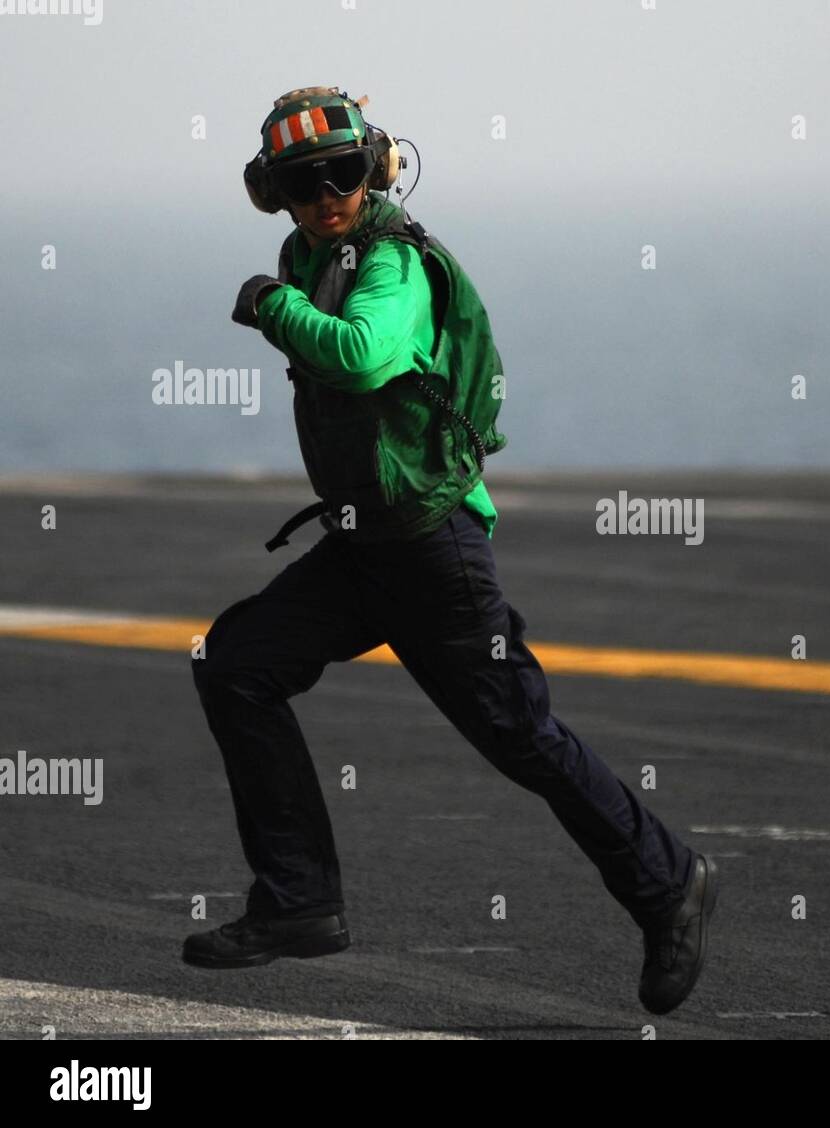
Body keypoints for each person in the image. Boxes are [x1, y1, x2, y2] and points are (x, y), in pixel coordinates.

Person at [183, 87, 718, 1015]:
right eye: (302, 183)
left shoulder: (390, 263)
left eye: (342, 174)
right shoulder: (311, 253)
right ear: (273, 194)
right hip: (363, 546)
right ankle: (299, 903)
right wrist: (284, 292)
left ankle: (669, 883)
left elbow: (361, 356)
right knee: (235, 663)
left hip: (432, 548)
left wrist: (270, 308)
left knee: (520, 736)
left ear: (376, 167)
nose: (326, 196)